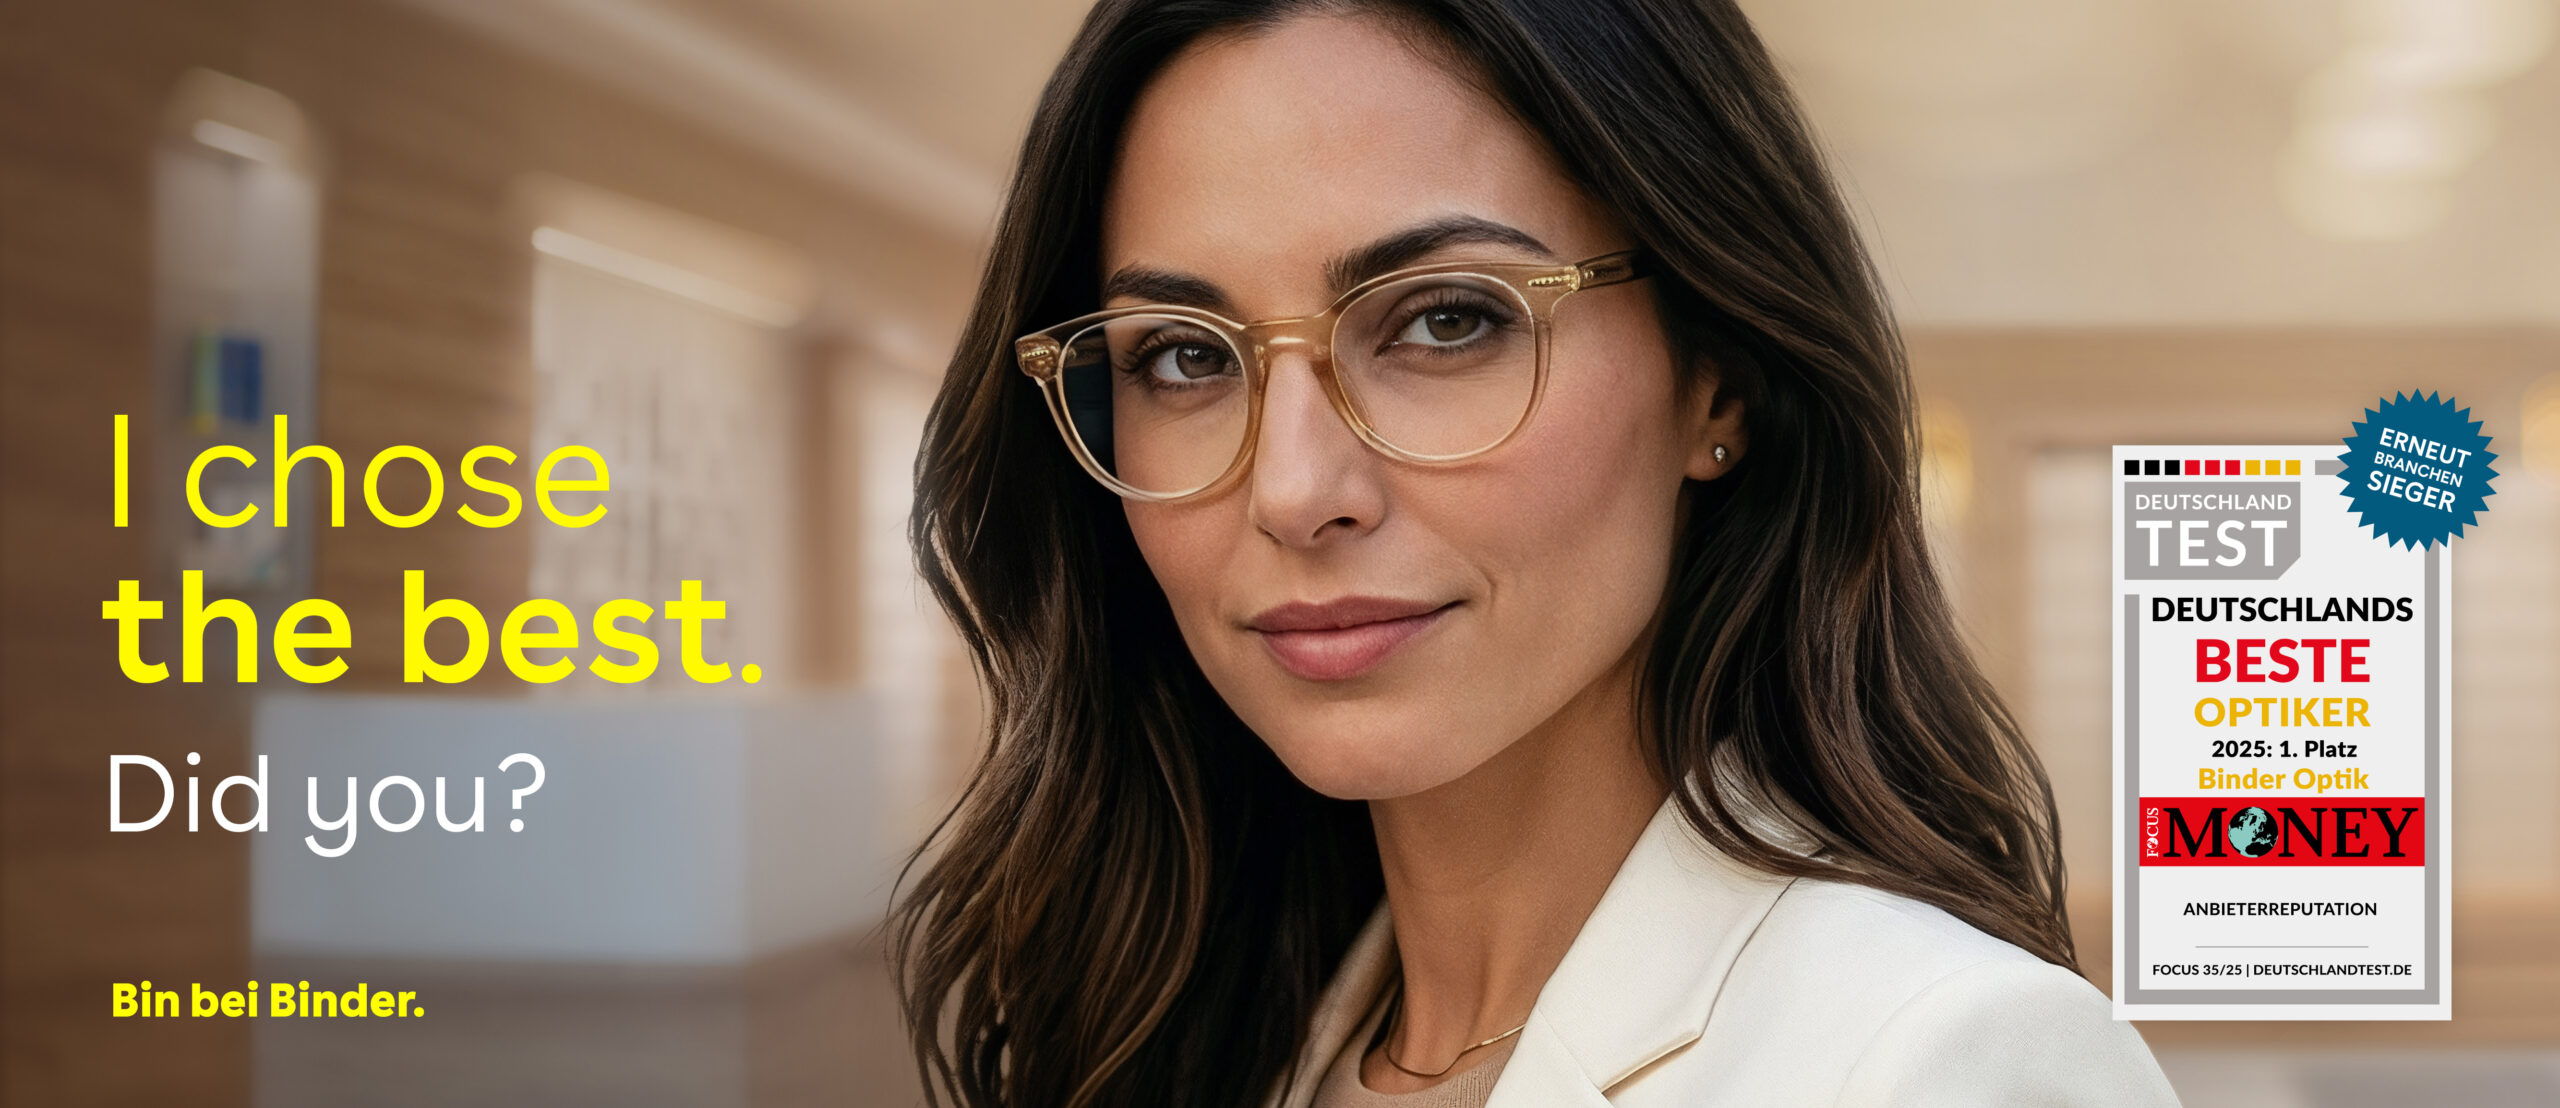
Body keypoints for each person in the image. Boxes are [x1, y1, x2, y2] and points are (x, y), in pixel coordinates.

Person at [892, 1, 2181, 1105]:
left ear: (1715, 381)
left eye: (1447, 323)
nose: (1292, 491)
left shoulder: (1934, 1061)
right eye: (1182, 355)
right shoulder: (1211, 1038)